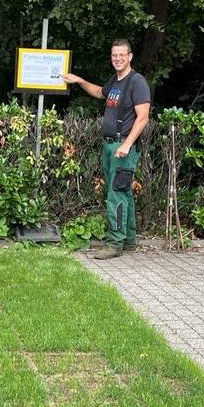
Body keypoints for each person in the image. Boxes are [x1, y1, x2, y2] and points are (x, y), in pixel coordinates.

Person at [62, 39, 151, 259]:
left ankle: (114, 243)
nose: (118, 59)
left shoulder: (136, 82)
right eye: (114, 55)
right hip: (110, 145)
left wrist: (127, 144)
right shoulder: (115, 81)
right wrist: (80, 81)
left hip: (122, 147)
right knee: (124, 192)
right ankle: (129, 239)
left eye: (122, 55)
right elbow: (100, 92)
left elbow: (143, 118)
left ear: (130, 56)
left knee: (116, 194)